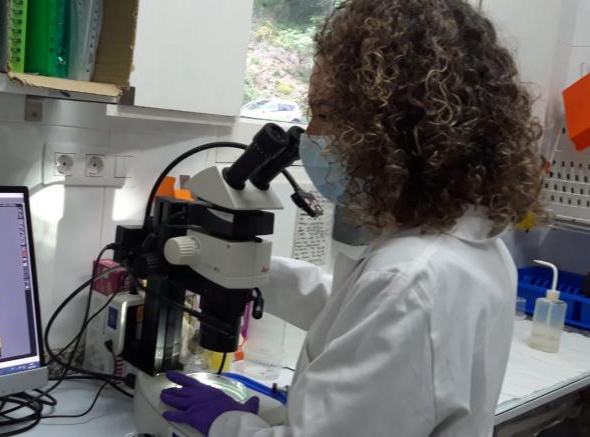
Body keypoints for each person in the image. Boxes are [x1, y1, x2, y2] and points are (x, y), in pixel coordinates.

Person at [160, 0, 547, 435]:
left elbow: (383, 310)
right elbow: (353, 314)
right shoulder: (474, 245)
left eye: (325, 114)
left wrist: (225, 423)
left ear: (394, 128)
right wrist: (251, 271)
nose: (310, 135)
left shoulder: (411, 279)